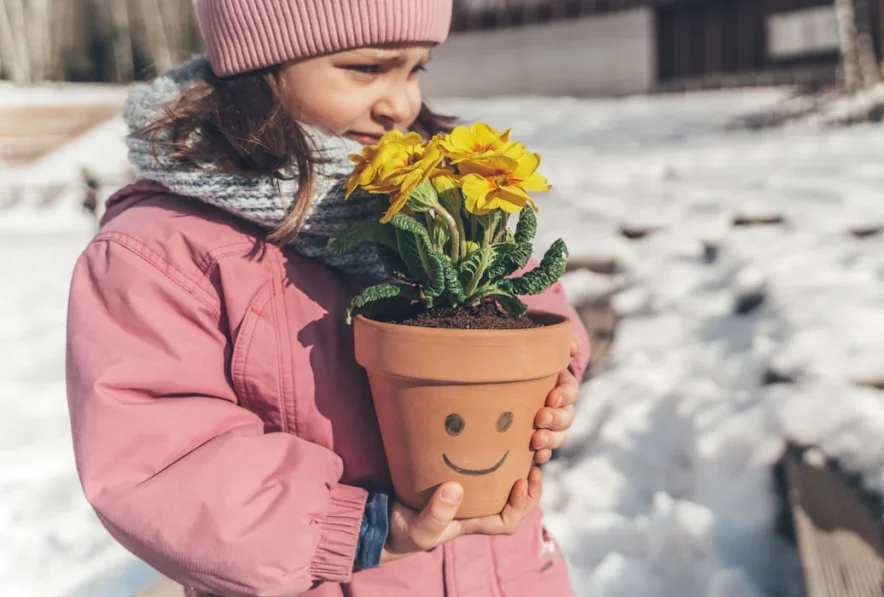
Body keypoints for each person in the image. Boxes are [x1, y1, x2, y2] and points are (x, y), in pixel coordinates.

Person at [64, 1, 591, 596]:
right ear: (262, 66)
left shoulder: (444, 188)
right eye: (367, 68)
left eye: (417, 69)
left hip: (507, 572)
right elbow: (164, 460)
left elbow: (536, 311)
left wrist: (547, 384)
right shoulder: (163, 249)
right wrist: (363, 530)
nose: (404, 103)